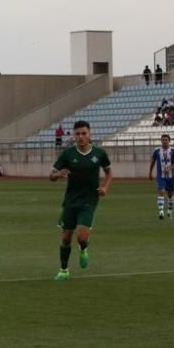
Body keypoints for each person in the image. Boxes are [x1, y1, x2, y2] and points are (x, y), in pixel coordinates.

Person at [50, 120, 112, 281]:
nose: (81, 137)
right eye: (77, 134)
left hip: (89, 200)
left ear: (89, 134)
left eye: (84, 133)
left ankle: (83, 248)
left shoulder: (99, 153)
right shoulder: (68, 154)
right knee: (65, 238)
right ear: (74, 135)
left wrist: (105, 188)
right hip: (71, 200)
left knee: (82, 237)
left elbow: (108, 173)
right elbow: (51, 176)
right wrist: (58, 175)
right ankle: (64, 270)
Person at [149, 134, 174, 219]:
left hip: (171, 177)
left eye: (166, 140)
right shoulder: (157, 150)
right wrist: (150, 172)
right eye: (163, 140)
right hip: (160, 176)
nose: (164, 141)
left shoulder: (173, 150)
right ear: (161, 141)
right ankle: (161, 212)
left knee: (170, 195)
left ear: (169, 141)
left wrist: (170, 168)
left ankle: (169, 211)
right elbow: (152, 162)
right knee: (161, 192)